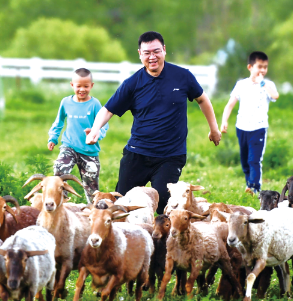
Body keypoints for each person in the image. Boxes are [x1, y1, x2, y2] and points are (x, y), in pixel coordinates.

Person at [86, 31, 221, 214]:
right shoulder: (133, 83)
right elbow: (108, 109)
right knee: (123, 205)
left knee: (164, 204)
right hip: (137, 153)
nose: (152, 57)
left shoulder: (182, 76)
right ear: (140, 54)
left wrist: (214, 129)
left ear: (164, 50)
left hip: (171, 156)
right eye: (147, 53)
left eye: (156, 51)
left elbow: (202, 99)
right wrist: (95, 129)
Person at [220, 51, 279, 195]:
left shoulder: (268, 85)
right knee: (245, 161)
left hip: (258, 128)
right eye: (259, 67)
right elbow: (230, 104)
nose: (263, 70)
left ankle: (254, 187)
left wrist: (262, 83)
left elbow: (275, 95)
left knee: (254, 160)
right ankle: (249, 186)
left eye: (265, 67)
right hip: (242, 127)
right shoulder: (241, 85)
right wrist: (224, 121)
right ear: (250, 67)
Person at [48, 68, 109, 203]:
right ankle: (62, 200)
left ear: (91, 86)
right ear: (72, 85)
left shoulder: (94, 104)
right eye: (78, 86)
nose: (82, 89)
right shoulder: (66, 102)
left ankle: (94, 209)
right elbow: (59, 122)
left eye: (86, 86)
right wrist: (53, 137)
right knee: (60, 168)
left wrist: (96, 134)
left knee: (92, 189)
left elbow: (104, 124)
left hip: (89, 151)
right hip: (69, 146)